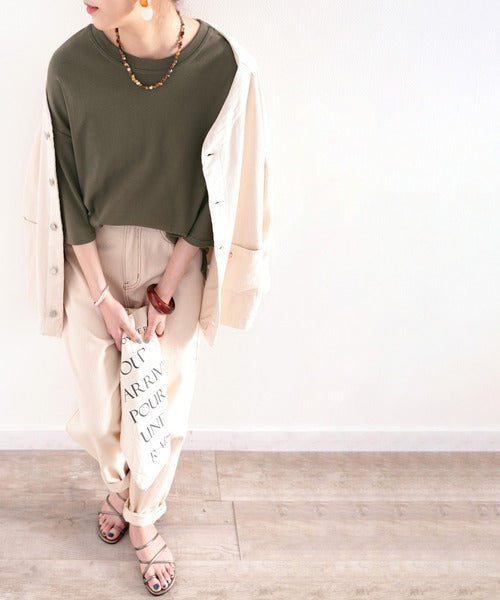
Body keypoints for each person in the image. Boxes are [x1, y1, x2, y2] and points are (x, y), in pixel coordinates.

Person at [40, 0, 270, 595]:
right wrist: (100, 293)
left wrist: (168, 286)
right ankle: (120, 487)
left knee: (162, 408)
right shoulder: (68, 66)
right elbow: (65, 188)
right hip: (90, 256)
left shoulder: (224, 67)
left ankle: (143, 516)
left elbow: (221, 187)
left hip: (178, 255)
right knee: (100, 411)